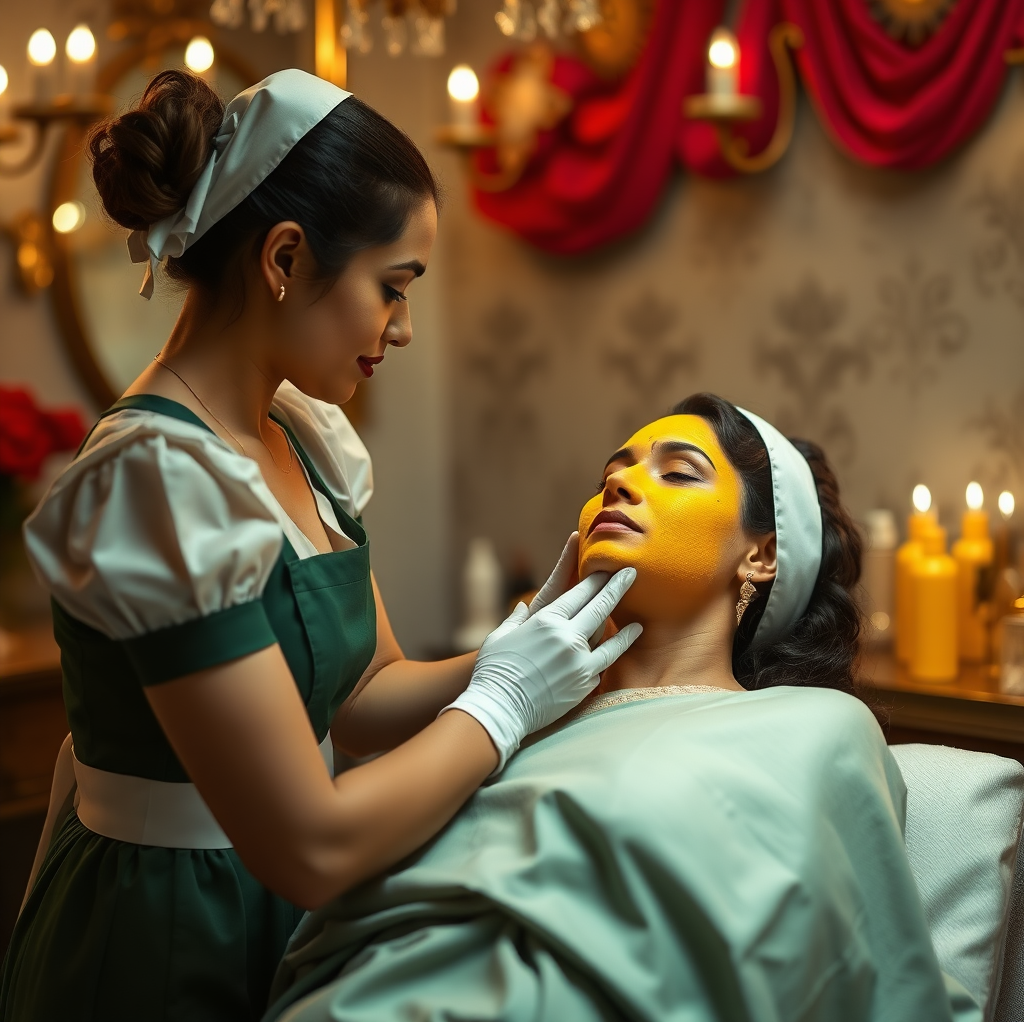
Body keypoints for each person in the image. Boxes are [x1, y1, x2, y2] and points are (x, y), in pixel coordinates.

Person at [0, 69, 641, 1022]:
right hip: (168, 935)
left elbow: (365, 698)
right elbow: (311, 841)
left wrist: (523, 646)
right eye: (393, 288)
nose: (406, 327)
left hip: (278, 916)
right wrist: (504, 706)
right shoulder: (155, 482)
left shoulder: (301, 438)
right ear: (286, 258)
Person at [262, 395, 980, 1022]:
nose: (624, 484)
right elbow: (335, 842)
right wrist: (495, 691)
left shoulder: (814, 727)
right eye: (612, 473)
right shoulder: (512, 715)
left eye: (677, 472)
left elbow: (847, 962)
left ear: (761, 555)